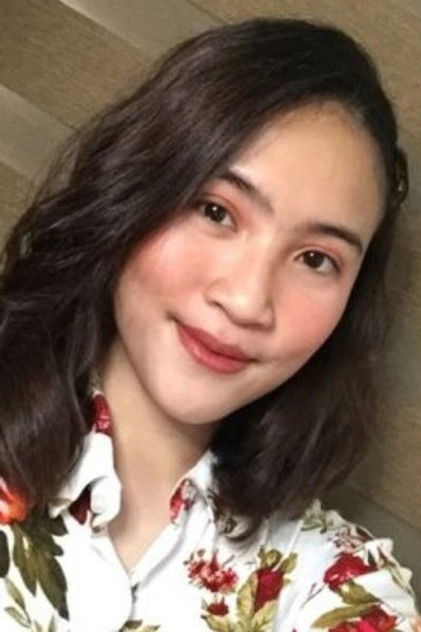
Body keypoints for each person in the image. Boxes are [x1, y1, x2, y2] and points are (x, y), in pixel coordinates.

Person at [0, 16, 419, 632]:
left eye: (315, 259)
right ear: (133, 190)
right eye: (216, 211)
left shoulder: (333, 586)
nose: (248, 301)